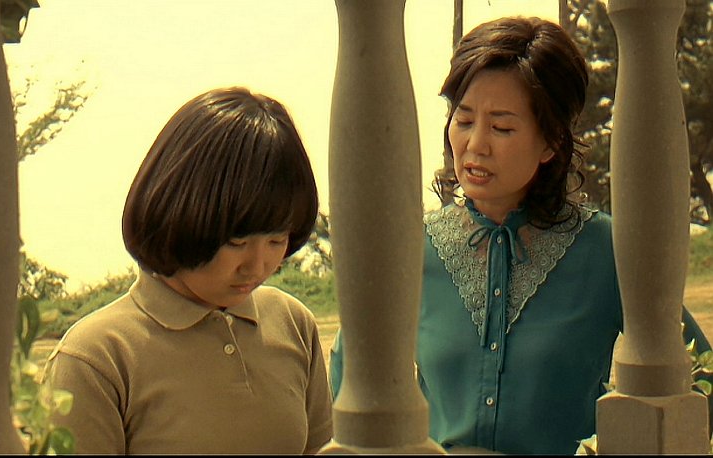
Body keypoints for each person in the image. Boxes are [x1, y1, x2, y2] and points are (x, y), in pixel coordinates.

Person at [328, 16, 713, 455]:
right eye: (464, 119)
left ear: (551, 142)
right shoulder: (410, 252)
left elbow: (696, 377)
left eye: (502, 127)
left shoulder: (607, 251)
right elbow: (349, 385)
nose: (476, 144)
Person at [40, 87, 333, 454]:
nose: (257, 266)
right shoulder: (96, 358)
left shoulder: (292, 324)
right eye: (237, 242)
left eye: (276, 240)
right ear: (183, 216)